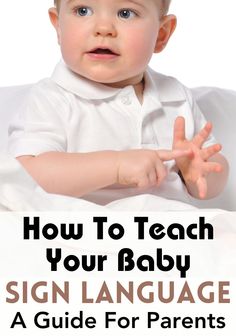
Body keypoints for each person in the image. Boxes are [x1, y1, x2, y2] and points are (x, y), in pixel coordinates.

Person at [8, 0, 228, 205]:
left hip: (170, 236)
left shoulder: (176, 97)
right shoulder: (52, 99)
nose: (103, 28)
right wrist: (116, 166)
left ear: (161, 35)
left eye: (126, 13)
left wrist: (197, 172)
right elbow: (28, 177)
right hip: (82, 237)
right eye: (83, 10)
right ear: (59, 27)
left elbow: (211, 179)